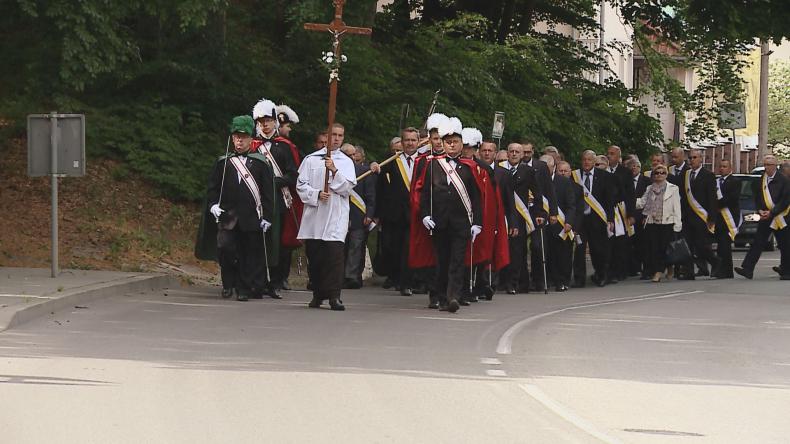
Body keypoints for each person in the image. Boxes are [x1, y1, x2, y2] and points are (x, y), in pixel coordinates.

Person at [205, 116, 275, 301]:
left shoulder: (260, 163)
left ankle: (243, 288)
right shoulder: (224, 162)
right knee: (225, 249)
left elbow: (268, 193)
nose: (239, 141)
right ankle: (228, 284)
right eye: (236, 137)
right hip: (227, 217)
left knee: (248, 253)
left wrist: (267, 216)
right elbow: (213, 188)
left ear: (251, 139)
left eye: (243, 137)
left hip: (251, 217)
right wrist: (213, 205)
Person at [418, 117, 482, 313]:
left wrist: (477, 223)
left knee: (457, 261)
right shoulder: (433, 165)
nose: (452, 145)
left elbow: (476, 197)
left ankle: (453, 296)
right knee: (443, 261)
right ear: (443, 144)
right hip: (440, 222)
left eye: (455, 142)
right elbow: (425, 193)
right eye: (448, 142)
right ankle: (442, 297)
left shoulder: (469, 167)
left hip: (461, 223)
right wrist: (425, 215)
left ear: (462, 143)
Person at [297, 123, 357, 310]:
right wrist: (315, 194)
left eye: (340, 135)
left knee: (334, 256)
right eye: (334, 135)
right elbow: (301, 185)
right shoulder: (311, 159)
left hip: (335, 215)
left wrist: (334, 171)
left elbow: (347, 188)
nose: (337, 139)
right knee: (316, 257)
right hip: (315, 216)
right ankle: (318, 294)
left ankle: (334, 296)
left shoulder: (346, 162)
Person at [251, 98, 299, 297]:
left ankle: (276, 282)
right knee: (256, 241)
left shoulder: (284, 147)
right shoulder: (252, 146)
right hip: (256, 200)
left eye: (268, 121)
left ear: (275, 122)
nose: (265, 124)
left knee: (276, 242)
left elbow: (293, 174)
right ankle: (258, 281)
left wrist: (274, 182)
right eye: (261, 121)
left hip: (278, 200)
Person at [376, 127, 420, 296]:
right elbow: (380, 181)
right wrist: (373, 165)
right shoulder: (392, 159)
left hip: (415, 214)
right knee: (392, 247)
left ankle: (406, 283)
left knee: (408, 249)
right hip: (394, 214)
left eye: (413, 140)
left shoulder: (424, 161)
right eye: (407, 140)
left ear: (418, 142)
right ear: (402, 142)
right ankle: (394, 276)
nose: (410, 143)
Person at [736, 155, 790, 280]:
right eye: (765, 164)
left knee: (785, 245)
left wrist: (772, 212)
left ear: (775, 166)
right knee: (758, 242)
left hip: (780, 217)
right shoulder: (762, 179)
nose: (766, 167)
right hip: (765, 217)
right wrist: (760, 210)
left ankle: (786, 271)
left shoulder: (784, 180)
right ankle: (747, 269)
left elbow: (785, 201)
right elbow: (758, 197)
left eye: (769, 165)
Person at [502, 143, 544, 294]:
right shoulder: (500, 169)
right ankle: (502, 281)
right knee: (504, 248)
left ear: (521, 155)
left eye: (517, 152)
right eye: (511, 151)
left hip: (520, 215)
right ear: (507, 153)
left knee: (518, 250)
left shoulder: (528, 171)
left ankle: (515, 283)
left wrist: (539, 213)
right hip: (504, 214)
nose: (514, 154)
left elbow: (537, 193)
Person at [571, 150, 617, 287]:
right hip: (580, 219)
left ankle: (601, 275)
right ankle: (579, 279)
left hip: (597, 218)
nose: (586, 162)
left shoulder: (604, 176)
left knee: (598, 249)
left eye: (589, 160)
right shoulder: (575, 176)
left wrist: (610, 219)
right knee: (579, 249)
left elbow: (609, 200)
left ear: (594, 161)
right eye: (584, 159)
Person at [273, 104, 304, 291]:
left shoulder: (288, 147)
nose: (289, 129)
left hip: (285, 195)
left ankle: (281, 276)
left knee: (285, 238)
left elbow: (295, 172)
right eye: (286, 126)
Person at [678, 148, 720, 280]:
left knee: (701, 245)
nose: (692, 160)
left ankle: (716, 262)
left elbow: (712, 198)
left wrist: (712, 217)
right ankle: (688, 272)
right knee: (687, 245)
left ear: (701, 159)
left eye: (694, 157)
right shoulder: (685, 175)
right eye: (690, 158)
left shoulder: (708, 175)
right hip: (687, 216)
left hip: (701, 216)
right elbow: (682, 196)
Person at [636, 164, 682, 282]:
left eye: (662, 173)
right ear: (653, 175)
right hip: (652, 221)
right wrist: (629, 200)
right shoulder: (649, 188)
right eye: (657, 173)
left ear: (666, 175)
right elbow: (642, 202)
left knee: (664, 248)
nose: (659, 175)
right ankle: (664, 268)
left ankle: (659, 271)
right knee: (654, 248)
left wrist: (678, 224)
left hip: (667, 222)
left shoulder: (673, 188)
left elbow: (677, 207)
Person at [521, 141, 556, 292]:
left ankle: (538, 279)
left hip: (537, 212)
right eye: (524, 152)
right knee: (520, 248)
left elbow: (549, 190)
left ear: (533, 151)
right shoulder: (515, 166)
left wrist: (553, 212)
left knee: (537, 246)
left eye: (528, 152)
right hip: (521, 210)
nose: (526, 155)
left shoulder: (541, 167)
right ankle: (522, 281)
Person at [344, 145, 377, 289]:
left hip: (359, 215)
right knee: (341, 247)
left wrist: (369, 214)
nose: (352, 158)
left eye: (354, 155)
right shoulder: (336, 171)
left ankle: (352, 277)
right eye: (349, 155)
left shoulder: (364, 171)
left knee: (356, 247)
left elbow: (371, 195)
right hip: (341, 215)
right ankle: (340, 276)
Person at [545, 157, 576, 291]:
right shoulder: (537, 180)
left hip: (561, 223)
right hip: (545, 223)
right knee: (548, 254)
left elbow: (571, 204)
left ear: (554, 167)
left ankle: (563, 280)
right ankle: (549, 279)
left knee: (562, 254)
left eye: (549, 167)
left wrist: (569, 221)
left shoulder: (564, 182)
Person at [606, 145, 636, 282]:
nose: (609, 156)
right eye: (608, 153)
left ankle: (619, 271)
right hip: (606, 209)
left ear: (619, 157)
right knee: (608, 241)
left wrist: (631, 214)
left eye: (612, 154)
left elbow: (630, 194)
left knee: (620, 242)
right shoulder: (603, 170)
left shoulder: (625, 172)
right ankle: (607, 271)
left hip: (620, 209)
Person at [713, 159, 741, 279]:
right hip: (718, 217)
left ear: (730, 168)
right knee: (720, 244)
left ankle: (727, 270)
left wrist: (717, 205)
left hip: (729, 216)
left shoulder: (735, 181)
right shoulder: (716, 182)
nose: (722, 169)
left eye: (724, 166)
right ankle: (721, 269)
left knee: (725, 244)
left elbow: (732, 198)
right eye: (720, 166)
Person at [629, 157, 651, 278]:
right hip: (629, 217)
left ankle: (646, 269)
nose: (634, 168)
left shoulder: (647, 181)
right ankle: (634, 267)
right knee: (631, 244)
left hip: (642, 216)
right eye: (631, 166)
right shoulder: (626, 180)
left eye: (636, 166)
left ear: (640, 167)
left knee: (643, 244)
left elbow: (648, 201)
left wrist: (643, 216)